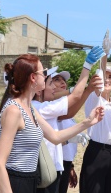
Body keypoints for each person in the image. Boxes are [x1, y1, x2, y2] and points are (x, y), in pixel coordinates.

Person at [0, 54, 104, 193]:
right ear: (33, 78)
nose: (46, 75)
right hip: (13, 183)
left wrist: (87, 122)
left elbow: (55, 137)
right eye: (43, 72)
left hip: (29, 181)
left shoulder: (30, 108)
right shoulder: (14, 110)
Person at [33, 46, 104, 193]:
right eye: (52, 82)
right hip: (45, 168)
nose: (55, 86)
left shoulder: (43, 107)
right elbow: (75, 97)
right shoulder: (42, 108)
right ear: (39, 88)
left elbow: (69, 114)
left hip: (55, 166)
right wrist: (87, 66)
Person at [79, 66, 111, 193]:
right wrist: (105, 54)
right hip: (97, 151)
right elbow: (98, 89)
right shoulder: (93, 98)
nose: (107, 80)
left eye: (110, 77)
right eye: (104, 77)